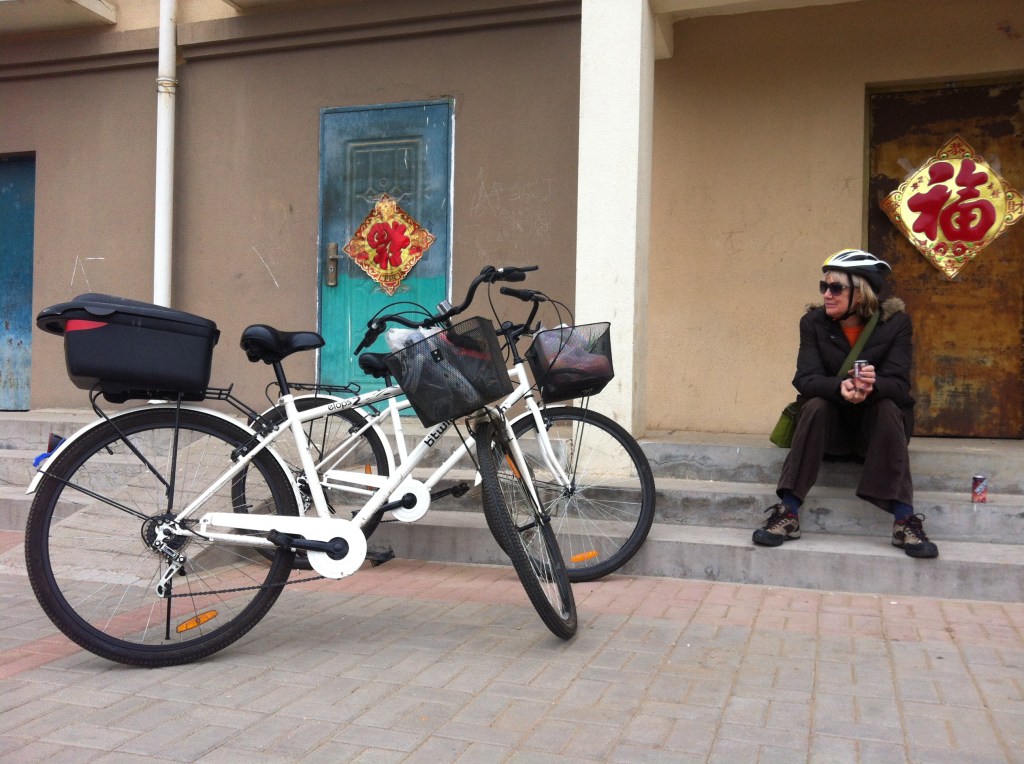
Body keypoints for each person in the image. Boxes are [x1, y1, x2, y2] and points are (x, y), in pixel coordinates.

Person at [753, 249, 938, 558]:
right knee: (814, 405)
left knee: (889, 406)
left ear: (861, 292)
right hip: (831, 432)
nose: (827, 294)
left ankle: (904, 519)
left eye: (835, 287)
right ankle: (788, 512)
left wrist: (871, 385)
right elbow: (805, 378)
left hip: (875, 433)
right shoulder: (813, 322)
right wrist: (842, 387)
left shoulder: (896, 324)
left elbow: (900, 384)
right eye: (823, 286)